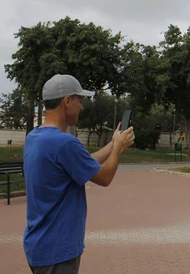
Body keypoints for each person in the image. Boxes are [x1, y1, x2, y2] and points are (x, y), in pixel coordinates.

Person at [23, 74, 135, 274]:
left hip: (38, 245)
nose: (81, 107)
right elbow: (104, 177)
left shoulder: (35, 137)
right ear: (66, 101)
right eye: (79, 101)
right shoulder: (65, 143)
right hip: (57, 251)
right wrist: (118, 150)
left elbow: (83, 163)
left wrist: (112, 144)